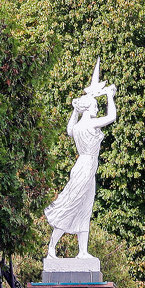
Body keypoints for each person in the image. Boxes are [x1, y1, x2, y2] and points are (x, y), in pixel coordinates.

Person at [45, 66, 117, 259]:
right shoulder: (90, 123)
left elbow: (69, 130)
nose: (96, 107)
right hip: (85, 167)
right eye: (94, 105)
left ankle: (83, 252)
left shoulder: (77, 125)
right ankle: (52, 247)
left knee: (85, 208)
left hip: (86, 168)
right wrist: (110, 95)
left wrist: (74, 112)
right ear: (88, 108)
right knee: (72, 204)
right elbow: (112, 117)